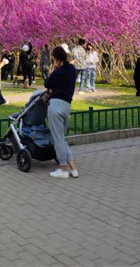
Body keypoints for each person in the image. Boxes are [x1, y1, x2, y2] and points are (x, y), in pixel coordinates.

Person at [45, 46, 79, 179]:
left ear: (56, 58)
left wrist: (54, 69)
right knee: (61, 138)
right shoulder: (72, 69)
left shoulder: (58, 72)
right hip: (67, 105)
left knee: (57, 138)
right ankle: (73, 167)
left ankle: (63, 168)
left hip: (56, 105)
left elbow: (47, 83)